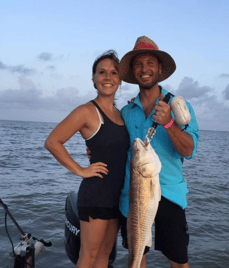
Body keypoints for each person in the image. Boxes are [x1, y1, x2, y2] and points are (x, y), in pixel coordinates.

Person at [118, 36, 200, 268]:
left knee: (179, 262)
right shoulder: (126, 111)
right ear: (133, 71)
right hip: (132, 197)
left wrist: (169, 124)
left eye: (150, 63)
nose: (144, 69)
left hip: (169, 194)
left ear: (160, 68)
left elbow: (189, 150)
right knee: (136, 257)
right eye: (138, 64)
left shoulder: (178, 106)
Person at [44, 50, 129, 268]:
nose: (107, 77)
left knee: (104, 255)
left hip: (118, 196)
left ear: (120, 79)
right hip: (96, 194)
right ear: (93, 78)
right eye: (102, 72)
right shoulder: (86, 111)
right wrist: (81, 170)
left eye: (113, 73)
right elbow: (53, 142)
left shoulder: (121, 114)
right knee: (88, 256)